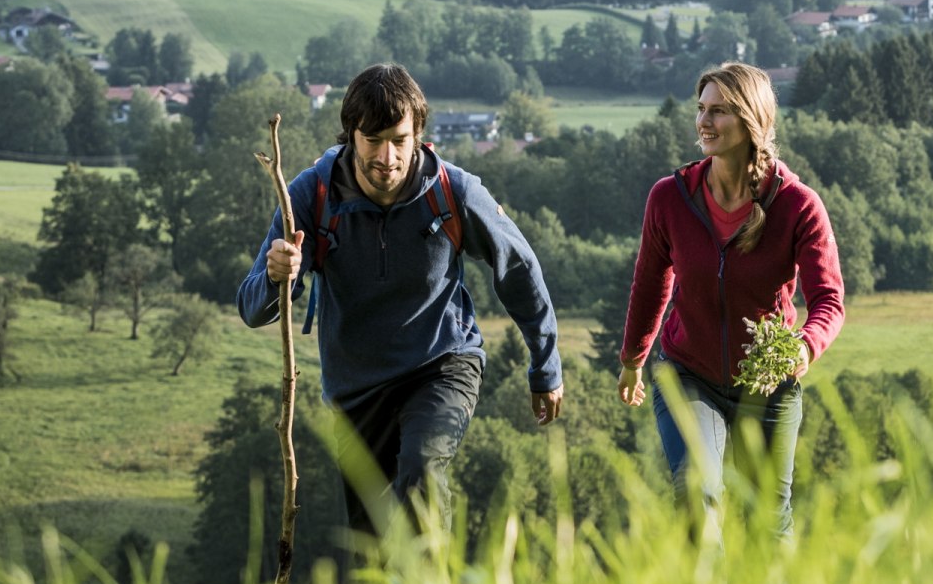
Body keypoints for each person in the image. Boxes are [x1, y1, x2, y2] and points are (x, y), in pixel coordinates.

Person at [240, 63, 563, 547]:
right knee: (369, 544)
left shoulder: (455, 192)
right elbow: (252, 309)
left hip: (441, 365)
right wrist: (274, 275)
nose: (386, 156)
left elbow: (519, 270)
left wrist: (546, 368)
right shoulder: (311, 195)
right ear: (351, 135)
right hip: (354, 392)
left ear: (418, 136)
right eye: (372, 139)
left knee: (422, 471)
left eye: (399, 139)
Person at [615, 62, 845, 538]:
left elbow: (828, 300)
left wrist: (804, 347)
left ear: (750, 120)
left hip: (767, 380)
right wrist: (633, 358)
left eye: (718, 111)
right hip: (689, 374)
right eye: (701, 109)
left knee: (767, 521)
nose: (704, 122)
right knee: (697, 493)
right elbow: (651, 282)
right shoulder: (670, 198)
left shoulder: (798, 205)